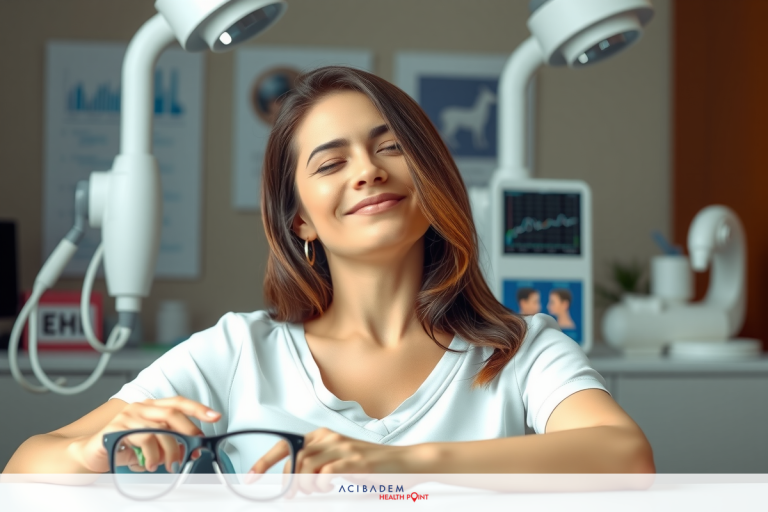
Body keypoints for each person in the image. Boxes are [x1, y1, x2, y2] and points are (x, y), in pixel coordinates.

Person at [3, 66, 653, 476]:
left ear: (432, 179)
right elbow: (24, 466)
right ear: (301, 222)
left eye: (390, 147)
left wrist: (400, 465)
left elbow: (624, 454)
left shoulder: (522, 349)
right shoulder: (236, 351)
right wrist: (90, 455)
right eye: (330, 163)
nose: (368, 170)